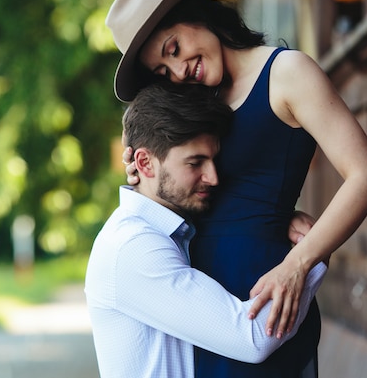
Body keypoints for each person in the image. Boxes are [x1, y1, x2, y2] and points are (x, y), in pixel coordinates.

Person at [105, 0, 367, 378]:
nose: (180, 71)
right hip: (203, 318)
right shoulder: (197, 105)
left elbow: (366, 175)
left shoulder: (287, 73)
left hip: (267, 305)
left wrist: (301, 261)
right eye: (164, 72)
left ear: (197, 13)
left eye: (174, 47)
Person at [84, 81, 327, 378]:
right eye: (195, 163)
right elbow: (251, 336)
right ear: (144, 163)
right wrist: (312, 255)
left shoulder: (169, 231)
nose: (212, 177)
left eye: (214, 160)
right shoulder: (134, 246)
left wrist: (274, 220)